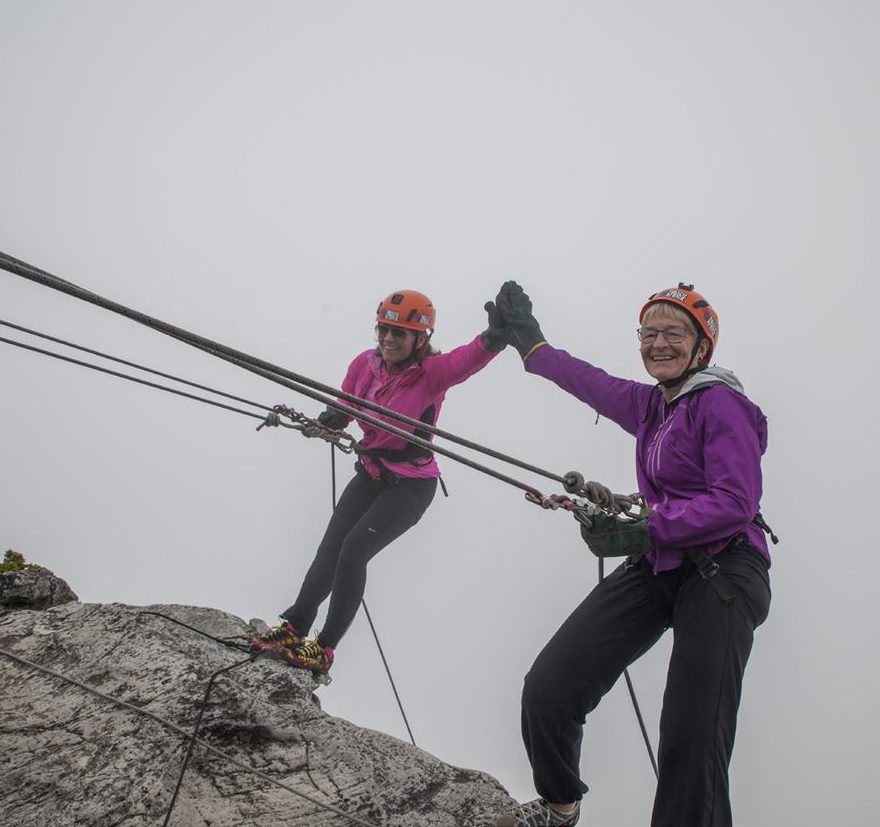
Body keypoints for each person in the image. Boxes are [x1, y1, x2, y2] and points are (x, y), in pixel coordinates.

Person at [488, 281, 772, 827]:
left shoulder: (721, 404)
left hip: (723, 572)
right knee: (549, 685)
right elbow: (586, 381)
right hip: (660, 561)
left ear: (701, 347)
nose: (658, 343)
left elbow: (736, 501)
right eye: (649, 332)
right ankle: (560, 806)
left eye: (674, 332)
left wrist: (648, 528)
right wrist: (530, 345)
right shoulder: (650, 405)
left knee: (691, 736)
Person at [250, 289, 506, 677]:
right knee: (329, 549)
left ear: (420, 339)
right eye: (384, 329)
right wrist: (332, 419)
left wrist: (495, 337)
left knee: (353, 550)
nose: (388, 338)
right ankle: (295, 627)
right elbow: (347, 404)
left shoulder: (432, 374)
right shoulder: (364, 366)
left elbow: (465, 360)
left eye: (399, 333)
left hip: (411, 487)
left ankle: (325, 649)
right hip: (370, 473)